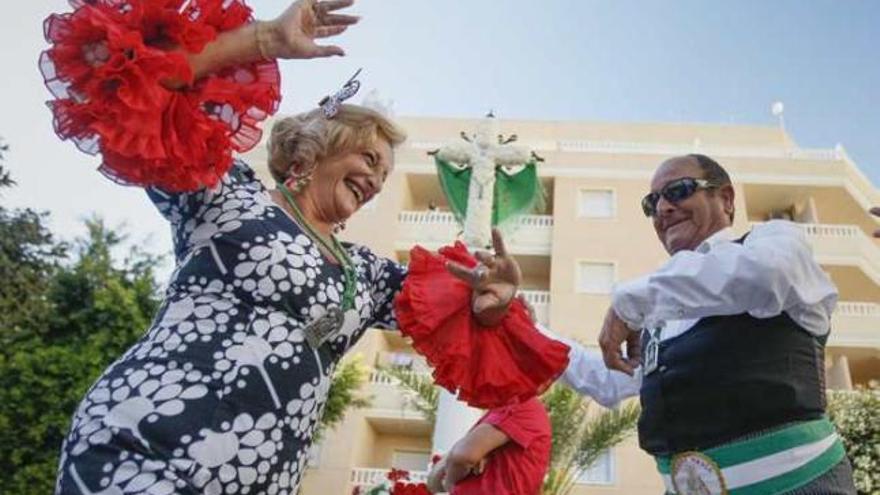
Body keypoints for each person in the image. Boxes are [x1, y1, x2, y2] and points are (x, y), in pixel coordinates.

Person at [47, 2, 523, 494]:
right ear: (319, 146)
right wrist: (263, 41)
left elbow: (458, 308)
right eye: (368, 158)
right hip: (145, 448)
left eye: (384, 174)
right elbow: (135, 85)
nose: (377, 181)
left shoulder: (368, 273)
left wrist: (493, 300)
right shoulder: (229, 195)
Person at [582, 153, 856, 494]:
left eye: (678, 191)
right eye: (652, 202)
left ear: (725, 198)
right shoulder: (658, 305)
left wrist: (631, 300)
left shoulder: (772, 241)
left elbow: (765, 275)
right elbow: (609, 381)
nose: (663, 208)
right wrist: (513, 324)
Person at [425, 397, 551, 495]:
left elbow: (462, 456)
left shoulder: (521, 404)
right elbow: (433, 481)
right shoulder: (498, 413)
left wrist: (450, 482)